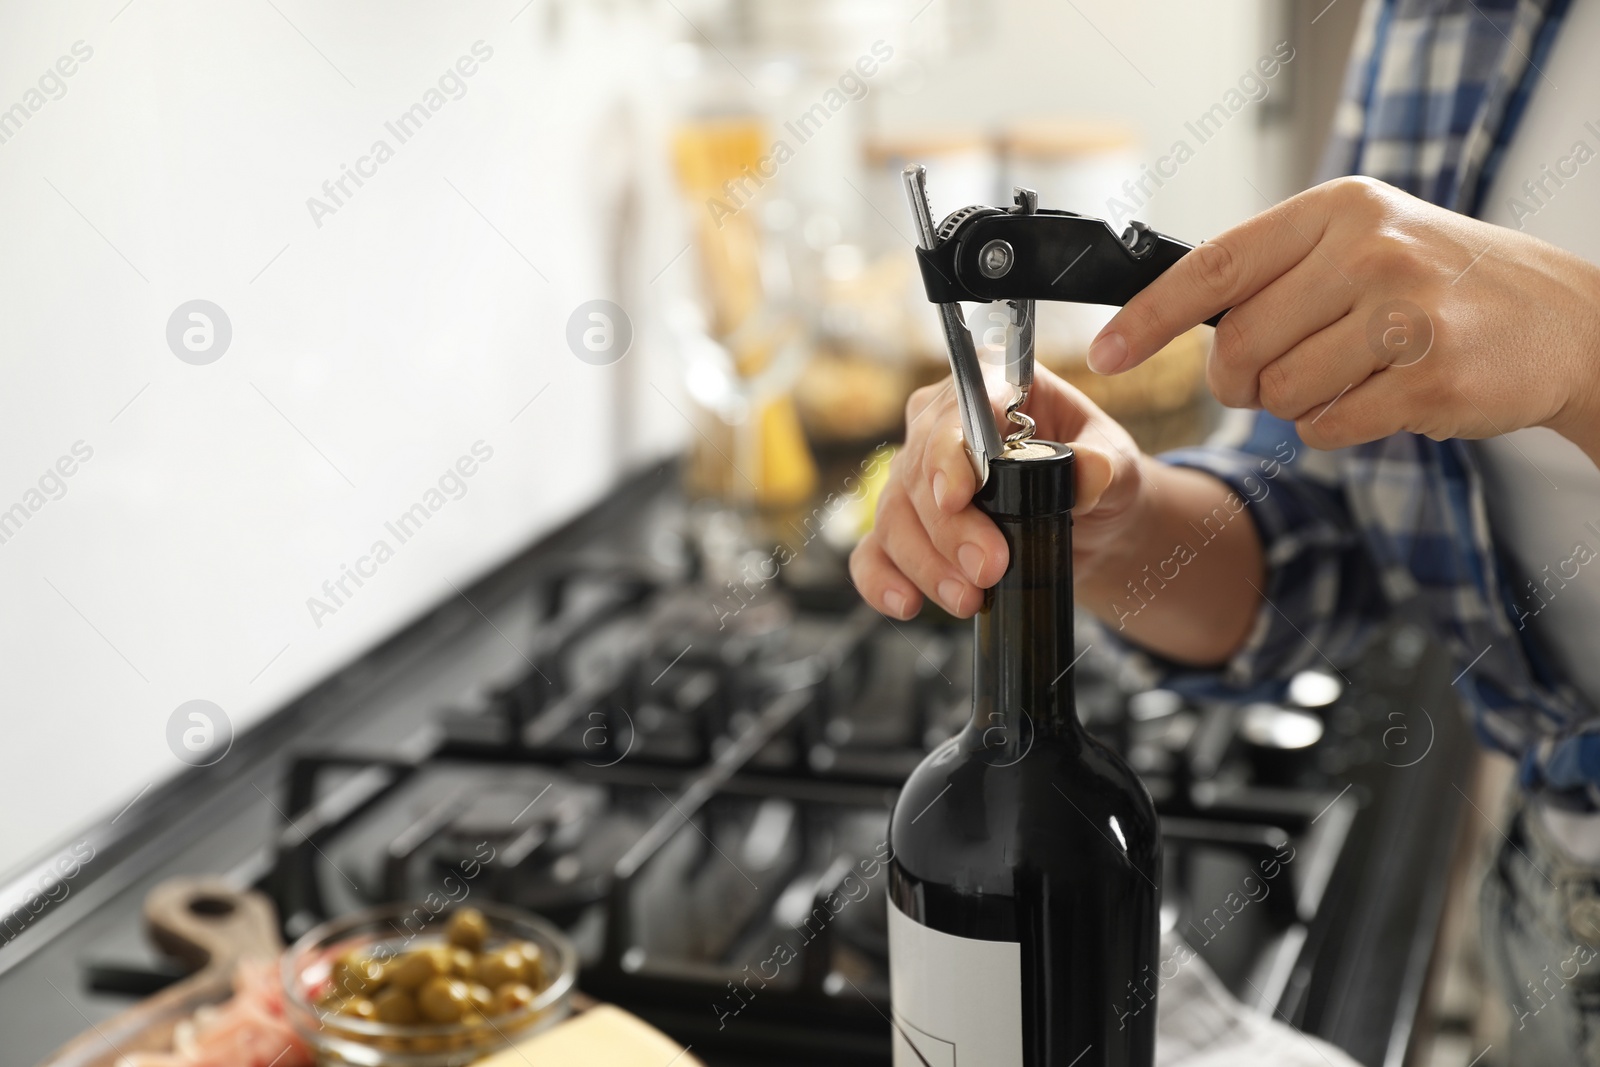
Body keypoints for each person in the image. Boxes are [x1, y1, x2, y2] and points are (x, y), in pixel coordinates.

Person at [850, 0, 1600, 1061]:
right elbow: (1335, 530)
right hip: (1548, 896)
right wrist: (1122, 523)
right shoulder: (1443, 17)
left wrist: (1582, 345)